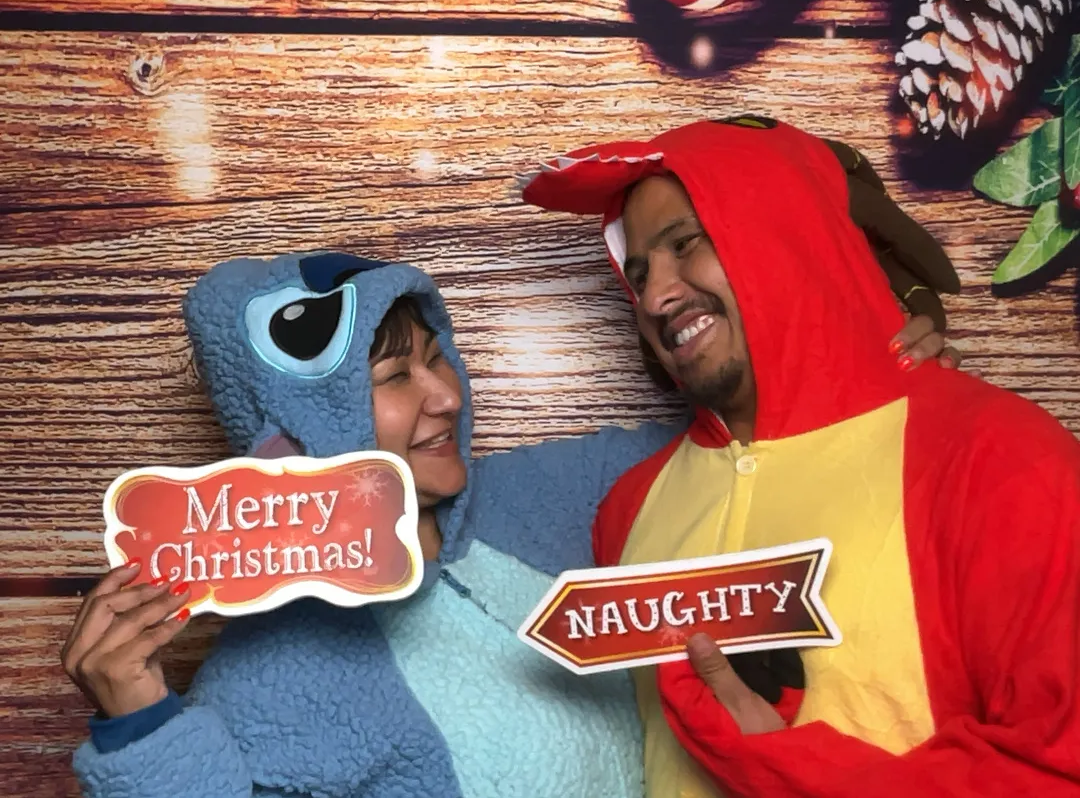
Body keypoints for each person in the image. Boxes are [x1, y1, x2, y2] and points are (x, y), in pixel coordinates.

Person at [63, 209, 956, 791]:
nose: (446, 395)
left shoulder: (550, 492)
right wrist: (140, 722)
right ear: (302, 423)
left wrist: (859, 368)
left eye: (438, 358)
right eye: (395, 377)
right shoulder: (276, 672)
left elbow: (743, 448)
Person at [519, 116, 1080, 797]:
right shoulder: (628, 508)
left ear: (784, 231)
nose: (657, 296)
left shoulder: (997, 458)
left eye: (686, 244)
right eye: (638, 275)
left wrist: (787, 771)